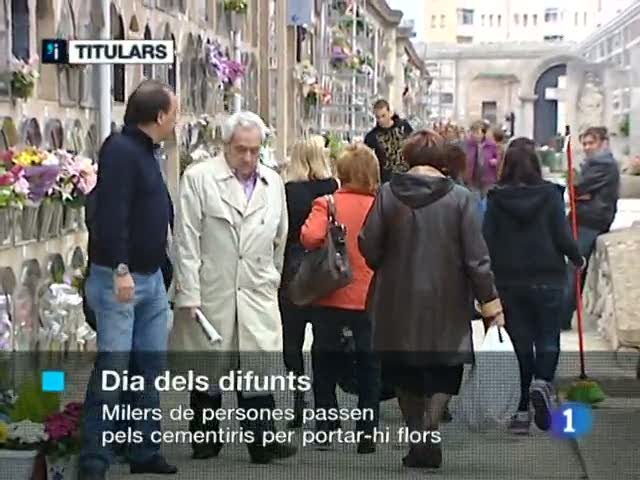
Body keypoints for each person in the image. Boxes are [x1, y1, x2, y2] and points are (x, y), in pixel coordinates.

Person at [358, 130, 504, 469]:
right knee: (445, 369)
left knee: (403, 371)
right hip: (447, 298)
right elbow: (477, 258)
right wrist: (490, 302)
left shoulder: (388, 194)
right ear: (442, 160)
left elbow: (369, 244)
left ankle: (417, 437)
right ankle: (430, 427)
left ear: (408, 157)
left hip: (396, 299)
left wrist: (387, 262)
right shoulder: (461, 198)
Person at [170, 111, 297, 464]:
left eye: (255, 150)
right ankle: (205, 439)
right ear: (225, 145)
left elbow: (280, 239)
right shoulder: (199, 178)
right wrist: (188, 292)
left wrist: (271, 279)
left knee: (257, 364)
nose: (248, 157)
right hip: (213, 286)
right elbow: (186, 239)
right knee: (207, 367)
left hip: (256, 286)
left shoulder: (272, 183)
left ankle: (262, 441)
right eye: (241, 149)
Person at [79, 79, 178, 480]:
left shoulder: (148, 151)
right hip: (121, 280)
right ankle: (94, 461)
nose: (177, 120)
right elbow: (112, 214)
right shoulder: (120, 150)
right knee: (113, 371)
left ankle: (144, 450)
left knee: (148, 369)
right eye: (175, 113)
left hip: (151, 280)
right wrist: (121, 268)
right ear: (160, 115)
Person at [483, 146, 584, 435]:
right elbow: (561, 235)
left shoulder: (496, 198)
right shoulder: (551, 195)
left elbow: (486, 239)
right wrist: (577, 257)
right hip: (548, 276)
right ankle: (542, 382)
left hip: (510, 280)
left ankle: (521, 411)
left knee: (521, 343)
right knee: (548, 335)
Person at [300, 142, 381, 454]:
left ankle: (326, 426)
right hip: (371, 297)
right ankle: (367, 430)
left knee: (324, 363)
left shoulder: (327, 203)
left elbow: (310, 237)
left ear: (342, 172)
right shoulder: (381, 206)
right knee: (370, 365)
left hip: (330, 295)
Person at [280, 135, 338, 428]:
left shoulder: (287, 191)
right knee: (324, 339)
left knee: (292, 339)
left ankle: (298, 398)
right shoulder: (333, 188)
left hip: (293, 270)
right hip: (324, 271)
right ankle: (326, 405)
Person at [560, 127, 620, 330]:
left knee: (574, 266)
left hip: (590, 220)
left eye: (591, 143)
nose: (586, 147)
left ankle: (561, 316)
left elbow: (577, 187)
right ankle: (562, 314)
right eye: (584, 143)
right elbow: (576, 190)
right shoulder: (594, 164)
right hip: (586, 217)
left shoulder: (602, 164)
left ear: (603, 143)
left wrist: (577, 189)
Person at [364, 99, 413, 183]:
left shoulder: (404, 126)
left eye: (383, 116)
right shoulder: (372, 136)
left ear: (390, 113)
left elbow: (414, 145)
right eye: (378, 117)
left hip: (406, 176)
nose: (381, 120)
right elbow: (367, 160)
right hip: (387, 180)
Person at [464, 120, 499, 215]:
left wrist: (495, 161)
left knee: (487, 202)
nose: (475, 135)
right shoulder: (469, 144)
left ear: (483, 133)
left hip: (488, 177)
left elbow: (498, 158)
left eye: (477, 132)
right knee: (474, 203)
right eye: (473, 132)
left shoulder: (491, 145)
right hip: (473, 178)